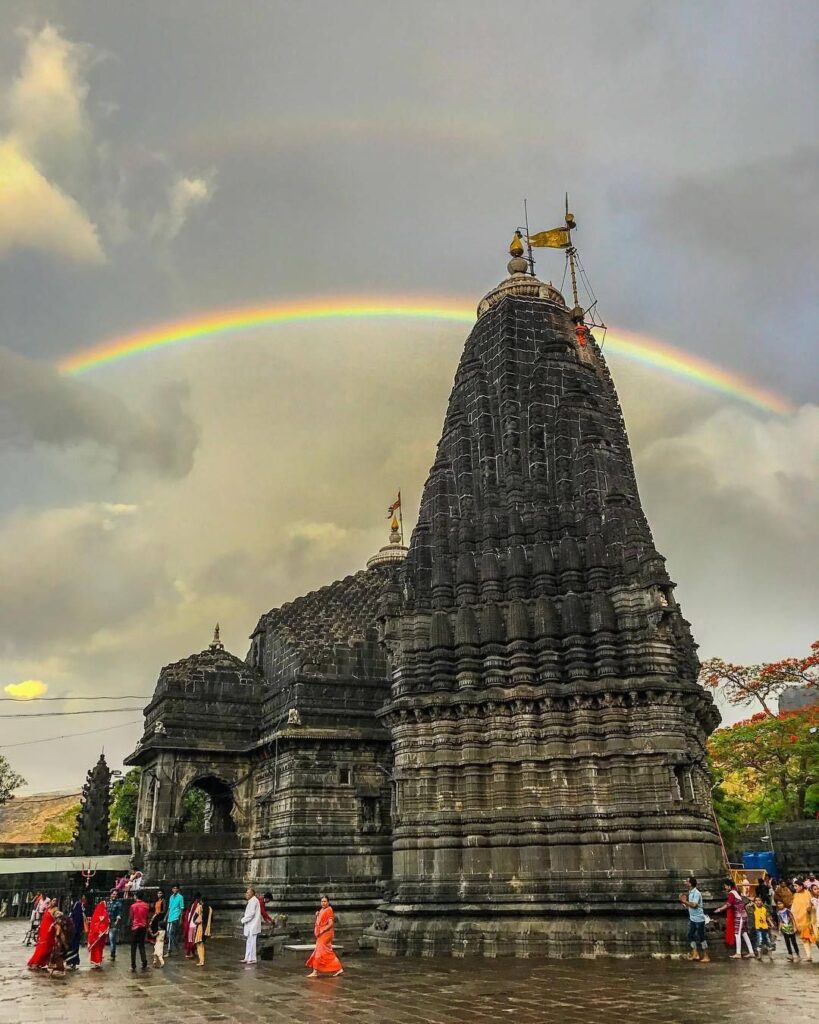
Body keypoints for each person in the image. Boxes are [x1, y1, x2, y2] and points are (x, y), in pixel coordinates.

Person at [713, 878, 754, 959]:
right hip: (743, 915)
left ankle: (738, 953)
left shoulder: (731, 893)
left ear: (729, 886)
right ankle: (751, 952)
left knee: (737, 933)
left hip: (739, 915)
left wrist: (720, 909)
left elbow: (728, 904)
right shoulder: (736, 892)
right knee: (744, 933)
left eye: (725, 886)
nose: (725, 887)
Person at [306, 894, 343, 978]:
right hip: (322, 934)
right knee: (326, 952)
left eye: (325, 901)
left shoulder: (329, 910)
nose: (323, 903)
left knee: (320, 951)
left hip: (326, 934)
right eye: (322, 901)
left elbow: (330, 923)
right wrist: (317, 915)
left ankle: (315, 971)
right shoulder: (322, 910)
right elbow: (321, 920)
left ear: (328, 902)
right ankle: (338, 968)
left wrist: (323, 929)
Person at [679, 876, 709, 963]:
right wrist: (684, 904)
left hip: (699, 919)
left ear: (690, 883)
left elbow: (694, 905)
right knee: (690, 935)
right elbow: (690, 905)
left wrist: (685, 902)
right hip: (692, 918)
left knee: (701, 937)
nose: (685, 882)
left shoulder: (696, 893)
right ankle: (695, 953)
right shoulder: (690, 892)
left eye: (687, 881)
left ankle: (706, 955)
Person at [27, 898, 56, 970]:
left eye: (55, 901)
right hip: (43, 930)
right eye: (53, 900)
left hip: (50, 931)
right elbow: (43, 919)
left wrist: (52, 925)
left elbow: (59, 920)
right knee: (40, 946)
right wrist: (39, 927)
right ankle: (37, 962)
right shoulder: (47, 909)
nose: (53, 902)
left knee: (46, 947)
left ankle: (41, 962)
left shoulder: (56, 910)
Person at [791, 880, 814, 963]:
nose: (795, 888)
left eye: (796, 886)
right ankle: (809, 956)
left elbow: (811, 905)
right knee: (805, 939)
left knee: (815, 938)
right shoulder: (795, 895)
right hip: (800, 921)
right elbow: (793, 909)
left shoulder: (808, 893)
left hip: (810, 920)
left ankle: (809, 956)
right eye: (794, 886)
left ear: (801, 886)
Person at [65, 894, 88, 970]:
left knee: (74, 947)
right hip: (73, 930)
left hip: (75, 931)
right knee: (72, 946)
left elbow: (77, 920)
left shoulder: (77, 905)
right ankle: (70, 962)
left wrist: (74, 929)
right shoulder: (75, 905)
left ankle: (73, 962)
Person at [129, 892, 150, 972]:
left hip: (135, 926)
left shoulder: (133, 906)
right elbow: (147, 916)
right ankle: (144, 962)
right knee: (141, 945)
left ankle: (133, 965)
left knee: (133, 946)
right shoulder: (146, 905)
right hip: (143, 926)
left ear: (136, 897)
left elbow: (131, 917)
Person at [240, 887, 261, 965]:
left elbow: (251, 914)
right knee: (249, 941)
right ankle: (247, 957)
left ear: (252, 893)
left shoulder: (254, 901)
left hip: (253, 925)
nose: (246, 894)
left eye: (248, 892)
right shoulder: (251, 901)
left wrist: (243, 920)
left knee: (252, 942)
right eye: (246, 892)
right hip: (250, 925)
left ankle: (252, 958)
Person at [87, 899, 110, 968]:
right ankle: (97, 961)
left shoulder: (98, 913)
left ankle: (97, 961)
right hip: (100, 934)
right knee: (98, 948)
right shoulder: (104, 913)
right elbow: (106, 922)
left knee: (97, 948)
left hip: (98, 934)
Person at [48, 910, 70, 978]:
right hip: (59, 942)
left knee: (57, 955)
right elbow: (60, 934)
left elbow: (56, 933)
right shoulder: (59, 925)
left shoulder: (57, 925)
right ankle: (59, 969)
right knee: (58, 955)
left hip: (57, 942)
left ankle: (58, 969)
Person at [192, 894, 213, 967]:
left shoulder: (200, 908)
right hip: (207, 929)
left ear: (201, 901)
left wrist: (196, 922)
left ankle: (201, 960)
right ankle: (202, 960)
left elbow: (194, 919)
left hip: (200, 928)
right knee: (202, 944)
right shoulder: (210, 909)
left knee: (199, 944)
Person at [106, 888, 124, 962]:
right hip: (107, 922)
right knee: (109, 939)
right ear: (110, 894)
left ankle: (112, 955)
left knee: (112, 939)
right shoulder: (108, 903)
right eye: (113, 894)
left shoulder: (118, 903)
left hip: (113, 922)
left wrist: (117, 921)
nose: (114, 895)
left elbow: (119, 913)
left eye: (116, 894)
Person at [166, 884, 184, 955]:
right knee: (169, 934)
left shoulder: (180, 897)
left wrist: (180, 919)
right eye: (173, 888)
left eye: (176, 888)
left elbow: (182, 908)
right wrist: (166, 917)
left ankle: (169, 951)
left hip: (176, 917)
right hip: (170, 917)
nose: (175, 889)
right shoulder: (171, 897)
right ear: (172, 889)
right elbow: (169, 908)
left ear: (178, 889)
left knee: (170, 933)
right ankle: (177, 947)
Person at [183, 893, 200, 958]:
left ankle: (192, 952)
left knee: (191, 939)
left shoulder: (191, 904)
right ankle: (188, 953)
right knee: (191, 940)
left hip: (190, 924)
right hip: (193, 925)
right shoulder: (197, 905)